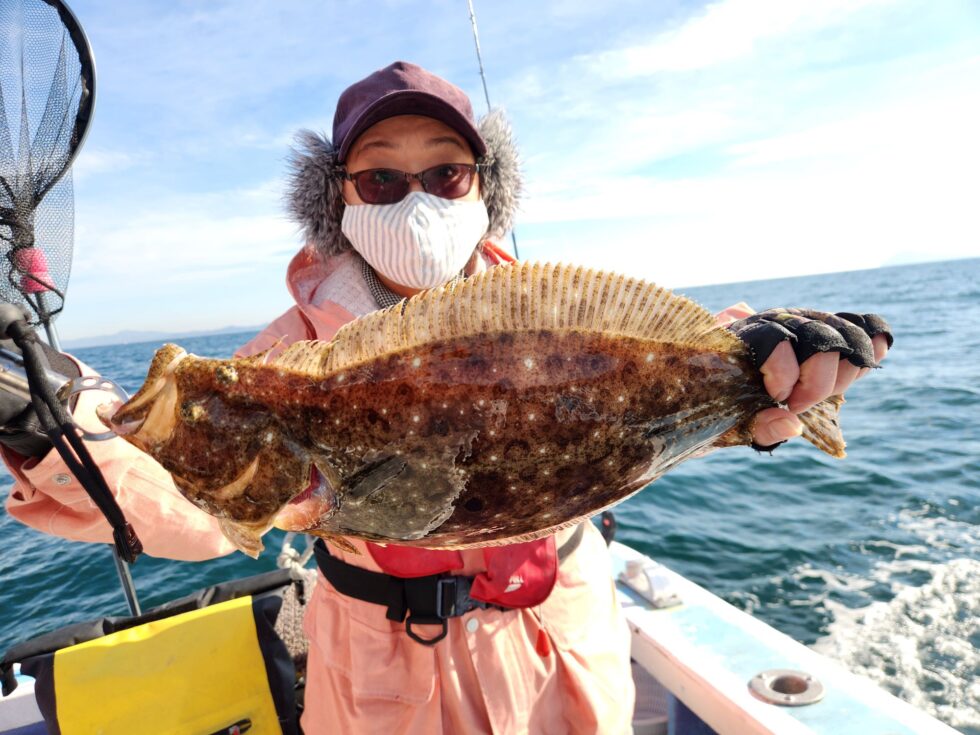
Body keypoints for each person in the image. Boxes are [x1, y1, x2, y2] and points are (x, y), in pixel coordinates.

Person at [1, 61, 890, 734]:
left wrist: (769, 362)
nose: (416, 197)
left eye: (446, 174)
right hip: (386, 685)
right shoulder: (284, 361)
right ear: (339, 199)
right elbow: (196, 506)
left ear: (482, 186)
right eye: (381, 179)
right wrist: (47, 429)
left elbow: (674, 362)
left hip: (566, 651)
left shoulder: (548, 321)